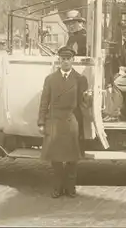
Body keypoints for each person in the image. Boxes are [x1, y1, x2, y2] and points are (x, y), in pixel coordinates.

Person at [38, 46, 89, 198]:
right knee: (56, 158)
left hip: (71, 120)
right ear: (59, 60)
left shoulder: (80, 79)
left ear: (73, 60)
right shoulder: (50, 79)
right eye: (63, 59)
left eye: (68, 59)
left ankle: (71, 188)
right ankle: (57, 188)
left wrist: (86, 120)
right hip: (54, 120)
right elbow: (44, 101)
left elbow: (83, 104)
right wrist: (41, 122)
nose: (66, 62)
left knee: (72, 157)